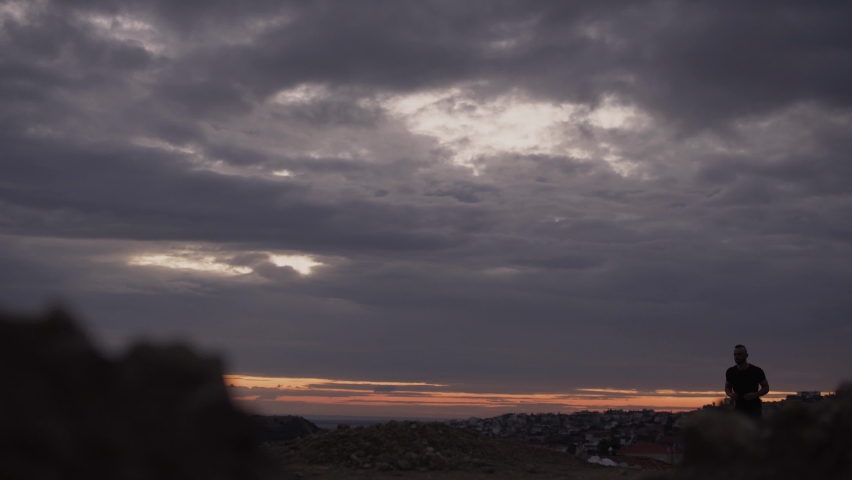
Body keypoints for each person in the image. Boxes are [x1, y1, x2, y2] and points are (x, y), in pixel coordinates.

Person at [725, 344, 769, 419]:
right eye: (735, 354)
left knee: (755, 430)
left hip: (755, 410)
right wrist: (730, 394)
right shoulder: (731, 371)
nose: (736, 356)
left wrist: (756, 394)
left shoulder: (756, 371)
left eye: (739, 354)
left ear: (746, 355)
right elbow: (727, 387)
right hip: (738, 410)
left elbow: (766, 387)